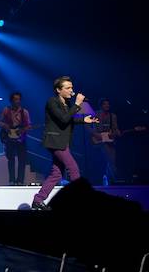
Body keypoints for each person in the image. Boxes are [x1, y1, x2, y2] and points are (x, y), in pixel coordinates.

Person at [32, 76, 99, 210]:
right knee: (73, 169)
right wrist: (77, 104)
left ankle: (38, 200)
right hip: (55, 141)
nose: (71, 90)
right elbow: (63, 119)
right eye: (67, 88)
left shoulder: (67, 104)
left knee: (56, 174)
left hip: (63, 141)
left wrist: (83, 120)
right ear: (58, 90)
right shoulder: (52, 102)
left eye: (71, 87)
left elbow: (68, 119)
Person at [0, 92, 31, 185]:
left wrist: (23, 130)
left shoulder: (24, 112)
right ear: (11, 101)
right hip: (9, 137)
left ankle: (20, 181)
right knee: (11, 159)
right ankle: (12, 180)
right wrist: (5, 126)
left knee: (22, 160)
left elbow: (29, 125)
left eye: (19, 99)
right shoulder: (6, 110)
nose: (17, 101)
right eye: (15, 99)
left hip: (21, 138)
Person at [91, 98, 120, 184]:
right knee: (110, 159)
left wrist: (116, 132)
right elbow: (91, 127)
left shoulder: (113, 116)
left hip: (110, 140)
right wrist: (96, 135)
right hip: (100, 140)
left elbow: (115, 128)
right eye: (105, 104)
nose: (107, 105)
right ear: (101, 106)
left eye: (108, 104)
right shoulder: (95, 114)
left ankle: (107, 177)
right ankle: (114, 179)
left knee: (112, 160)